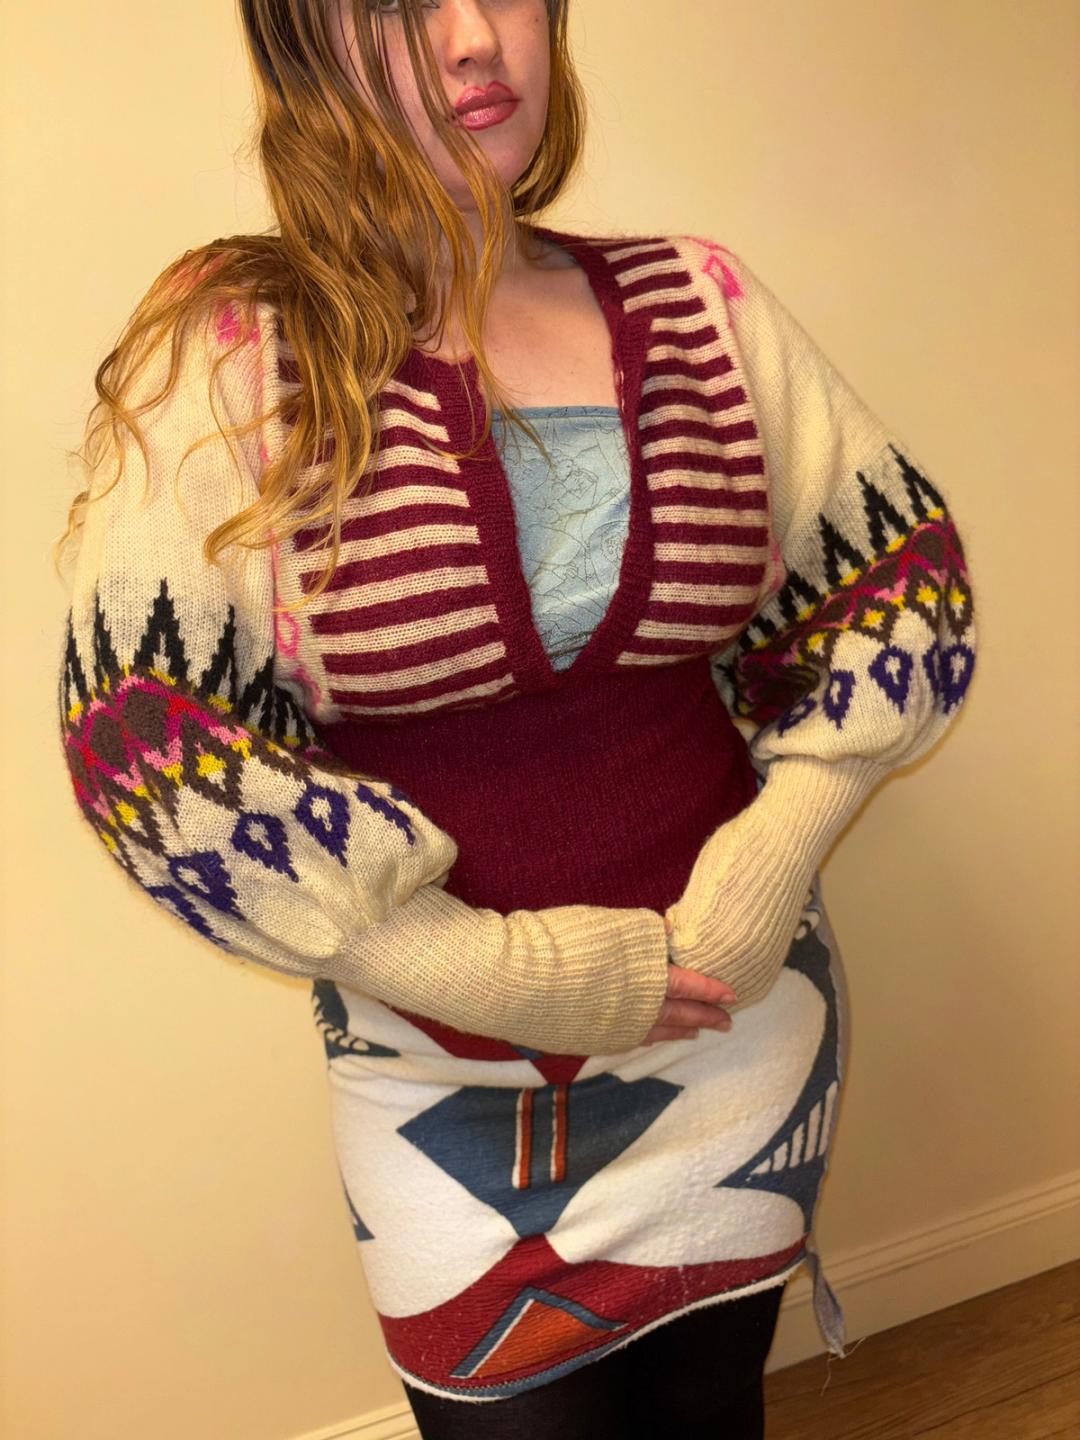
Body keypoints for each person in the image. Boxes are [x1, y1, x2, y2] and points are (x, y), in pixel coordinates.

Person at [53, 2, 978, 1436]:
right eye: (398, 4)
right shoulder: (232, 349)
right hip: (438, 1077)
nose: (478, 36)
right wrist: (487, 970)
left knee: (710, 1414)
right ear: (301, 44)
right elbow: (144, 746)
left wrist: (775, 853)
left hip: (739, 1027)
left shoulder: (700, 304)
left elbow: (897, 584)